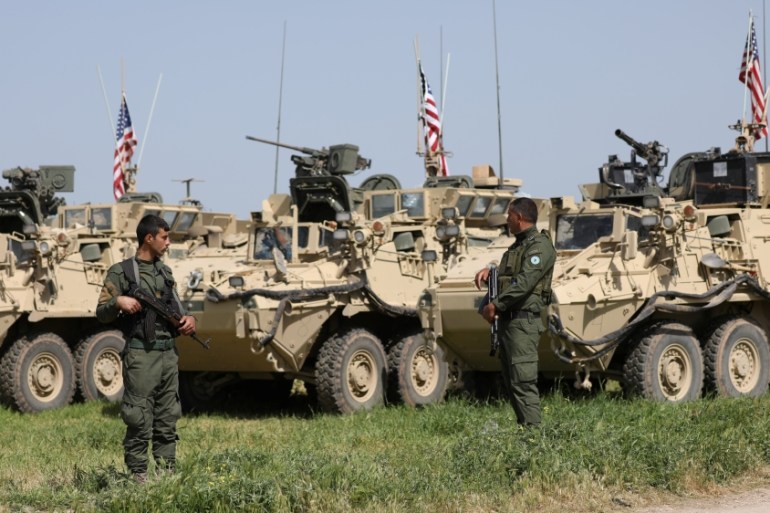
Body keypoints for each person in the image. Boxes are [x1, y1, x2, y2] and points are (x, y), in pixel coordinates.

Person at [96, 214, 196, 483]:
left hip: (168, 354)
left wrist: (189, 320)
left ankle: (166, 472)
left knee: (168, 417)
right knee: (139, 416)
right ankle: (139, 474)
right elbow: (101, 312)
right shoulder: (122, 271)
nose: (168, 242)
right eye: (164, 237)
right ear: (148, 238)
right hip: (141, 353)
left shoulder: (165, 272)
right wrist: (119, 301)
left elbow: (177, 309)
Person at [474, 197, 555, 427]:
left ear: (518, 217)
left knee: (523, 382)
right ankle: (525, 434)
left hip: (522, 324)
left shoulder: (539, 246)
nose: (506, 220)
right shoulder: (518, 247)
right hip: (509, 325)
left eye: (509, 216)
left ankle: (533, 441)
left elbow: (525, 281)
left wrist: (496, 305)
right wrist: (492, 273)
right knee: (511, 383)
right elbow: (511, 275)